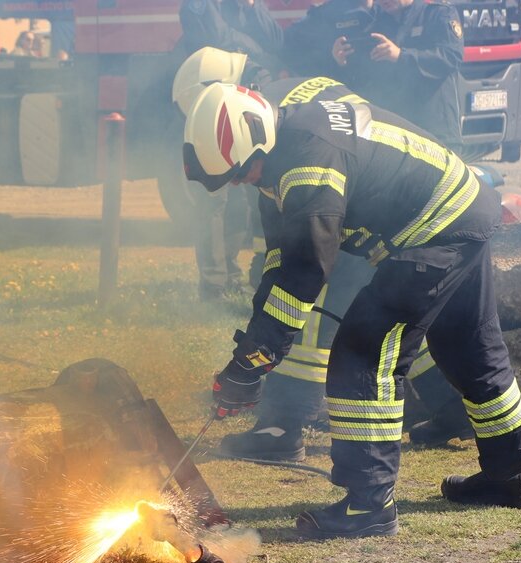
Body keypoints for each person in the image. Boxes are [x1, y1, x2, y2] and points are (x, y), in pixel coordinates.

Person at [183, 82, 521, 539]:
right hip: (463, 208)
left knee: (363, 351)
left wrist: (253, 362)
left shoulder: (309, 159)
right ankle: (507, 474)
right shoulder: (283, 154)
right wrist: (254, 350)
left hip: (435, 228)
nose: (239, 182)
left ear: (257, 137)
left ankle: (368, 505)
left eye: (240, 171)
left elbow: (303, 271)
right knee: (468, 343)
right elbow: (281, 259)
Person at [174, 48, 469, 461]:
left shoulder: (277, 127)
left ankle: (282, 426)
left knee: (307, 311)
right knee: (400, 317)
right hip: (373, 208)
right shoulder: (278, 97)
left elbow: (301, 267)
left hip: (340, 207)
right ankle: (452, 405)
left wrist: (254, 359)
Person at [177, 0, 283, 300]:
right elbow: (222, 45)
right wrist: (251, 50)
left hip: (245, 112)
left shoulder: (251, 7)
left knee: (240, 202)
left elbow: (276, 42)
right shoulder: (198, 6)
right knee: (214, 199)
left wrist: (252, 9)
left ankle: (231, 274)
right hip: (213, 113)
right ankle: (212, 285)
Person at [331, 0, 463, 146]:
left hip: (436, 129)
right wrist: (341, 62)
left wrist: (400, 56)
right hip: (397, 132)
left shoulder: (437, 14)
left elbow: (450, 57)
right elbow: (365, 80)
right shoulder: (376, 25)